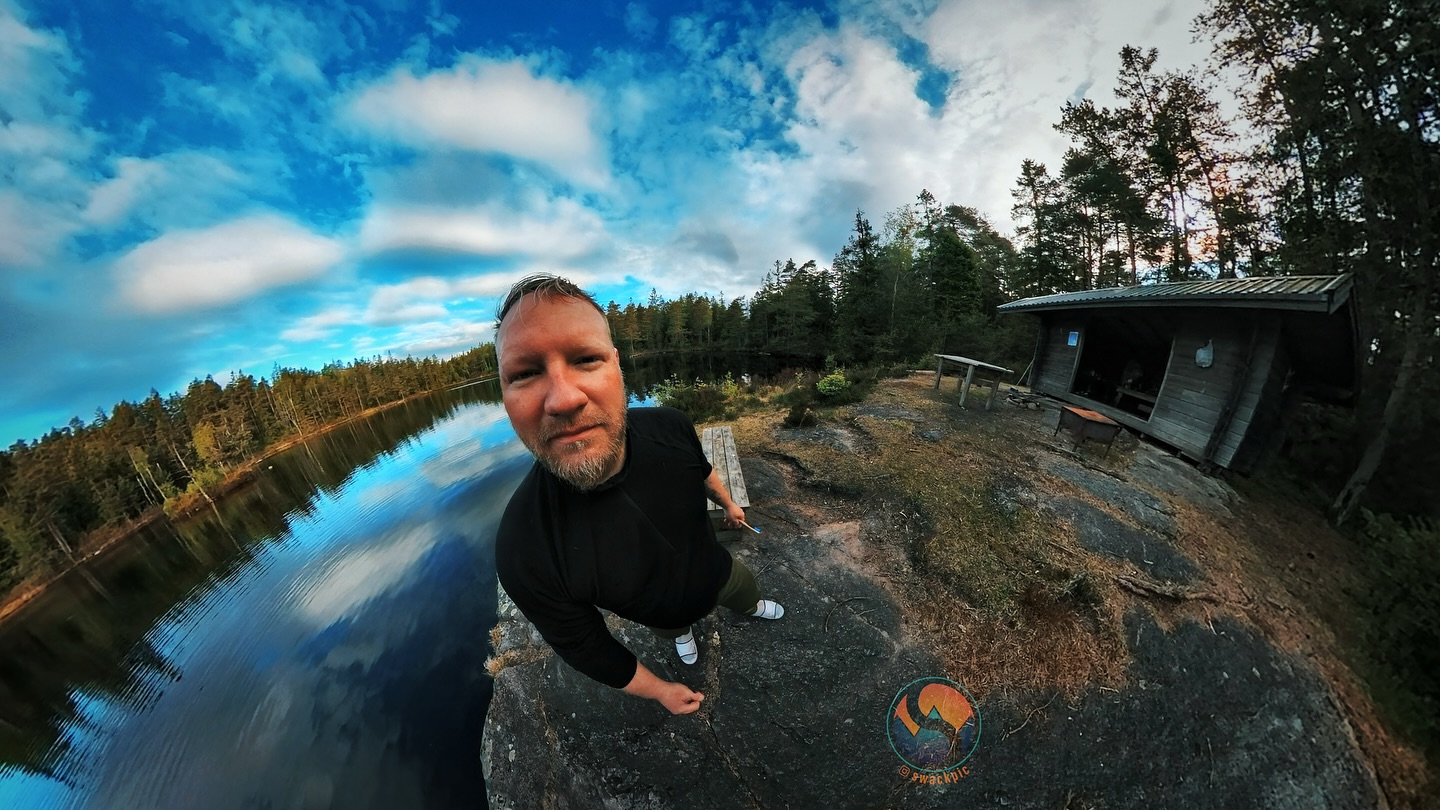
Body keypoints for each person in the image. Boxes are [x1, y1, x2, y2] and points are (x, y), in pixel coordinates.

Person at [493, 274, 786, 716]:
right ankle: (682, 635)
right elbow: (586, 647)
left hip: (720, 573)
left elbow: (704, 471)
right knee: (676, 630)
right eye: (526, 372)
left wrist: (728, 503)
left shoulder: (670, 426)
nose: (564, 398)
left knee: (746, 592)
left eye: (586, 359)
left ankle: (751, 605)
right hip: (662, 617)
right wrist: (661, 691)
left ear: (616, 364)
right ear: (503, 393)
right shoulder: (524, 550)